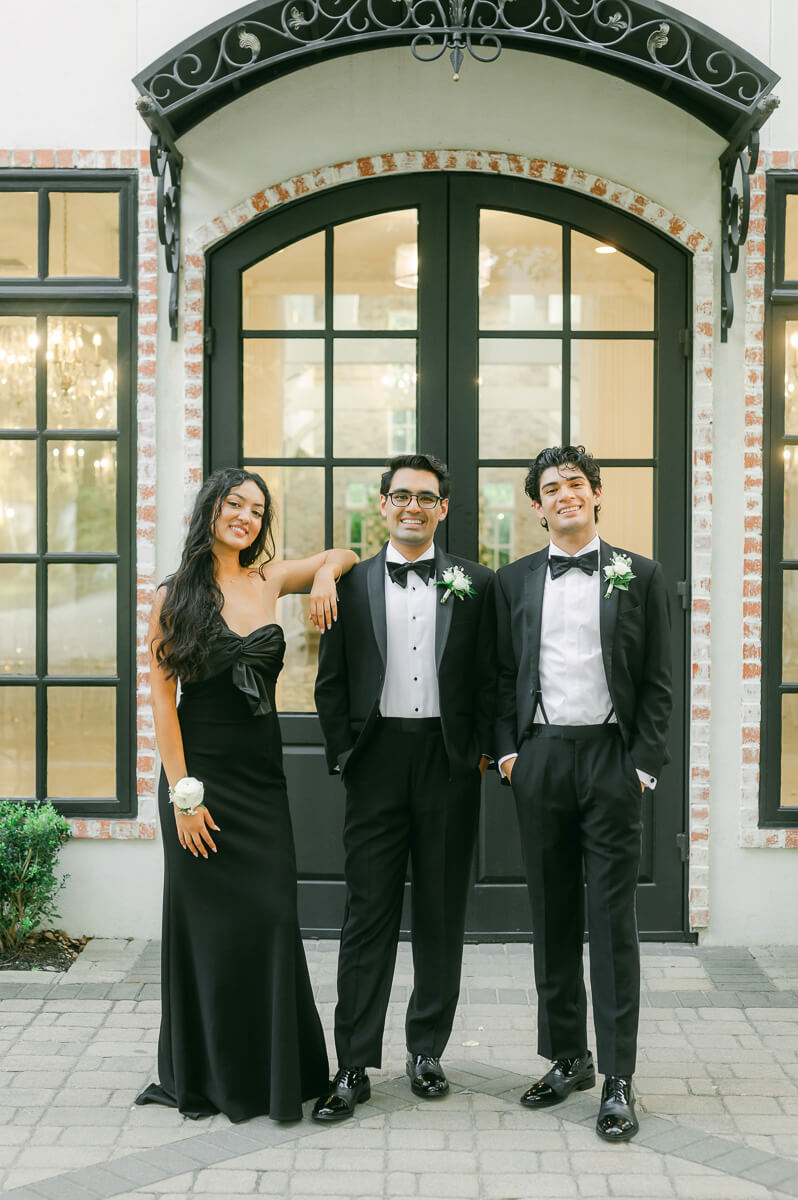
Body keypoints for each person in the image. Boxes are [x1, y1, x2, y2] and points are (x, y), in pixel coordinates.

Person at [136, 466, 357, 1123]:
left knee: (270, 919)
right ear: (211, 508)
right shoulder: (173, 596)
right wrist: (183, 794)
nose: (246, 518)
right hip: (197, 780)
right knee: (208, 933)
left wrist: (321, 574)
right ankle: (210, 1078)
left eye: (257, 511)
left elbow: (345, 554)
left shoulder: (268, 579)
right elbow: (161, 699)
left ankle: (275, 1070)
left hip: (261, 784)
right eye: (235, 504)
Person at [310, 452, 495, 1123]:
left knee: (442, 915)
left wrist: (480, 752)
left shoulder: (477, 583)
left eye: (426, 497)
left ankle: (427, 1050)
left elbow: (492, 676)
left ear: (442, 508)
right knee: (368, 914)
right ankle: (352, 1063)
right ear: (382, 505)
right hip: (377, 759)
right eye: (401, 496)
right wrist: (342, 757)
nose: (413, 507)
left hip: (449, 765)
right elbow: (330, 681)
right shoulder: (352, 584)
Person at [495, 445, 671, 1142]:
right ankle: (568, 1056)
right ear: (536, 508)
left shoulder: (642, 576)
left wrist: (641, 766)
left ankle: (620, 1078)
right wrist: (511, 754)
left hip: (610, 761)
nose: (564, 494)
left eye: (576, 483)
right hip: (540, 759)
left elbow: (658, 680)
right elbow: (498, 672)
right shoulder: (513, 582)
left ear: (597, 494)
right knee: (553, 915)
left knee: (613, 922)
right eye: (551, 487)